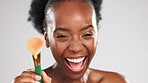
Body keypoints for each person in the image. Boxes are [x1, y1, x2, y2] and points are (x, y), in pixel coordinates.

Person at [14, 0, 128, 83]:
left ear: (97, 36)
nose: (76, 48)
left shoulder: (115, 81)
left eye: (87, 34)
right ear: (47, 38)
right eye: (62, 36)